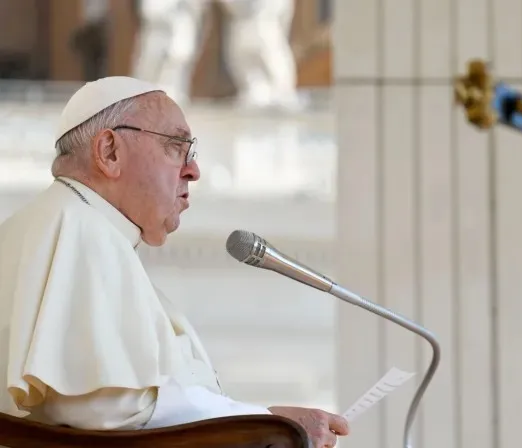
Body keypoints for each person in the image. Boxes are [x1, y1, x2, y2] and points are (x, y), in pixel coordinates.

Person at [0, 76, 348, 448]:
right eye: (177, 147)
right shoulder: (77, 229)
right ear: (109, 152)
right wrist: (264, 423)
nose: (192, 170)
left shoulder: (71, 226)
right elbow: (106, 408)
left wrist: (259, 418)